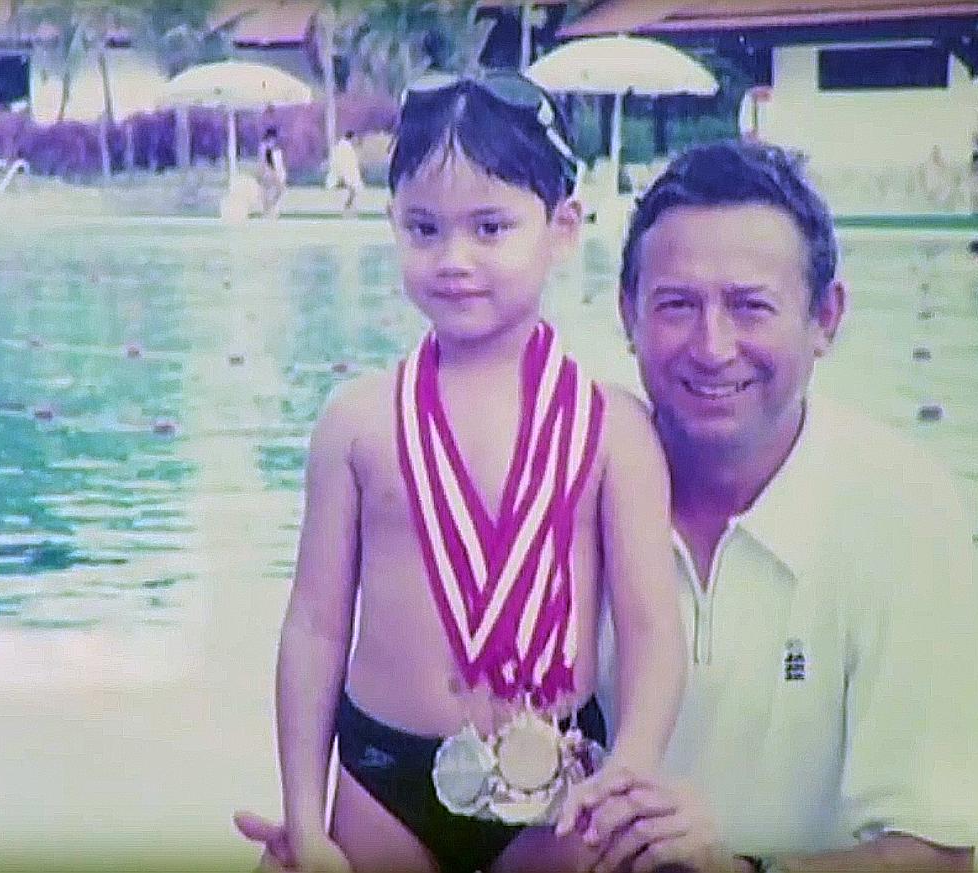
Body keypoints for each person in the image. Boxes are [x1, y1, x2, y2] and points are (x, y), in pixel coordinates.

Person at [237, 70, 687, 873]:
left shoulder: (614, 428)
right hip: (383, 779)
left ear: (562, 228)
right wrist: (305, 817)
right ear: (392, 227)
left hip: (558, 779)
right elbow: (313, 626)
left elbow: (653, 626)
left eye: (490, 226)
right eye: (423, 228)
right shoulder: (356, 421)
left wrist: (629, 770)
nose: (454, 258)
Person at [558, 141, 978, 873]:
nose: (712, 346)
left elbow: (935, 850)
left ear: (826, 317)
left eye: (750, 306)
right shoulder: (561, 481)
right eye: (676, 305)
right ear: (628, 313)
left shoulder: (899, 506)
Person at [325, 130, 365, 215]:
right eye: (355, 138)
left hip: (343, 175)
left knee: (352, 191)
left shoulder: (343, 146)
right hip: (343, 175)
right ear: (352, 138)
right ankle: (346, 208)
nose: (356, 140)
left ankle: (347, 207)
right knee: (352, 190)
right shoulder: (345, 148)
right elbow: (345, 163)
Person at [259, 127, 289, 219]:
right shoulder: (266, 147)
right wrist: (272, 172)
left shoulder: (275, 149)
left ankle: (270, 210)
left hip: (274, 172)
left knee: (276, 192)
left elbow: (278, 162)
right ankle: (269, 211)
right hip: (270, 172)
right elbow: (267, 161)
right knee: (271, 192)